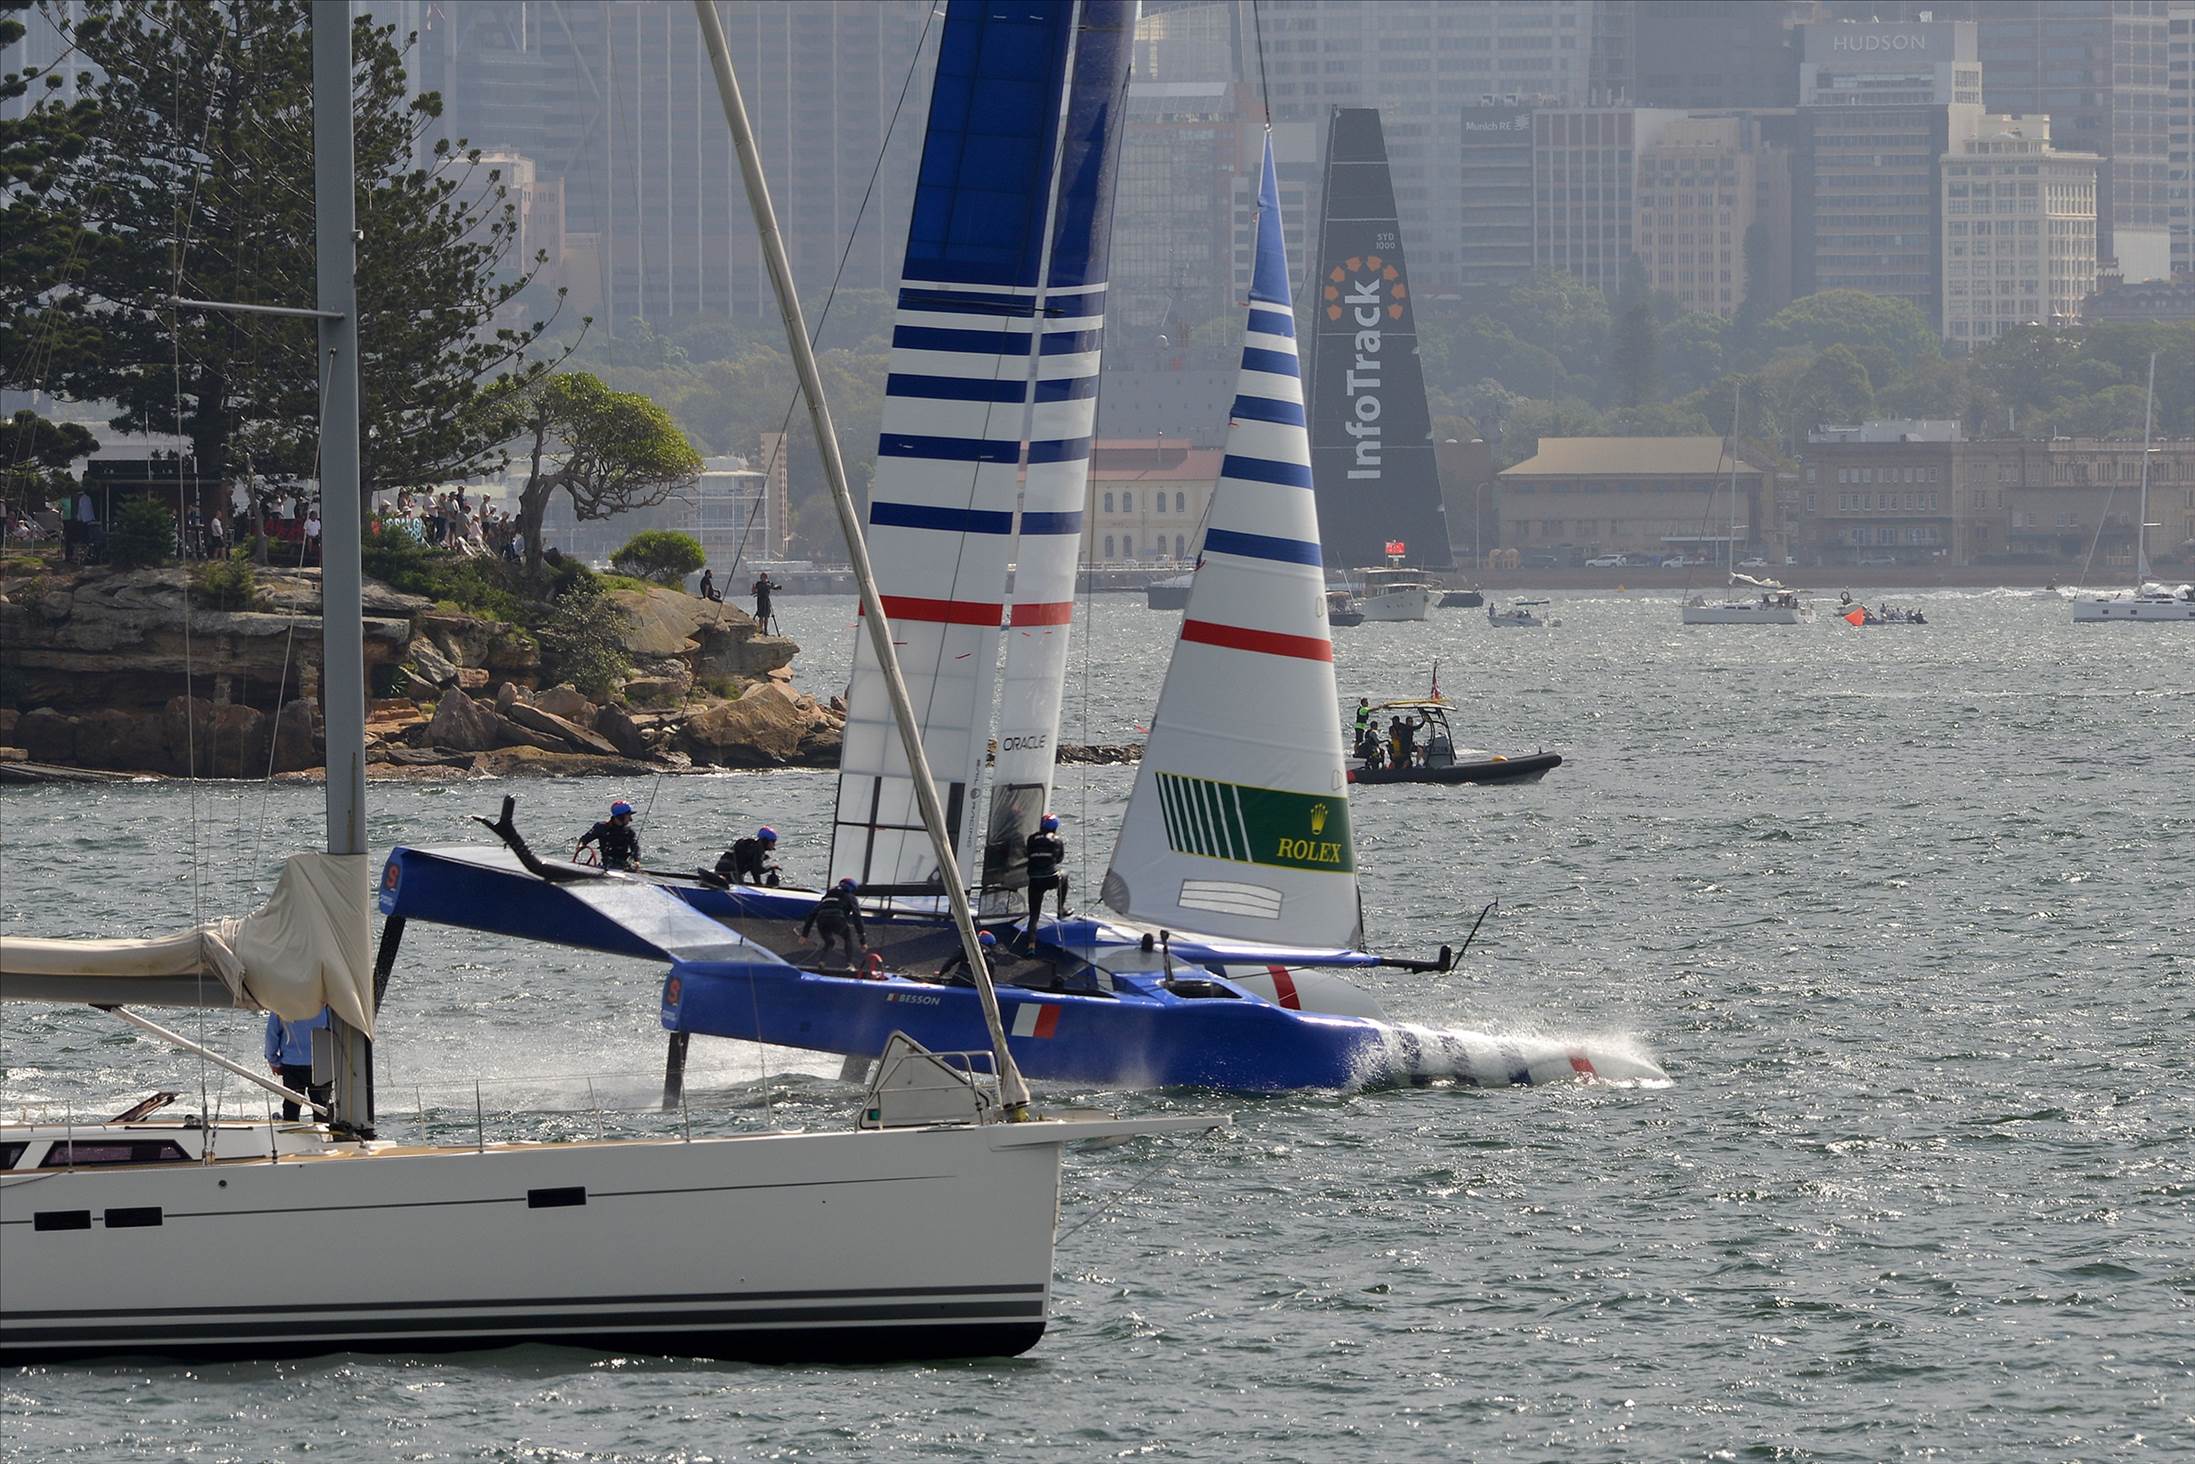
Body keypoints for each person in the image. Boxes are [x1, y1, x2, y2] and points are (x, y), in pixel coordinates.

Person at [264, 1007, 333, 1122]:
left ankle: (290, 1130)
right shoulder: (326, 1004)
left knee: (291, 1107)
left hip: (292, 1064)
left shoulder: (280, 1003)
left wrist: (273, 1060)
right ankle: (324, 1131)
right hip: (321, 1064)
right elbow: (335, 1031)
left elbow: (271, 1035)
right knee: (322, 1108)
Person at [1020, 812, 1068, 947]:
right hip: (1051, 878)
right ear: (1055, 827)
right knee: (1065, 874)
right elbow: (1059, 859)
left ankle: (1031, 945)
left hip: (1035, 881)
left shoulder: (1031, 838)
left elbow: (1028, 854)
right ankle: (1061, 909)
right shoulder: (1057, 840)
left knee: (1034, 916)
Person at [801, 876, 867, 965]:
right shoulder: (850, 896)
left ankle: (822, 962)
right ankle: (849, 964)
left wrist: (804, 935)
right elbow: (857, 917)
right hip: (837, 919)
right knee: (847, 938)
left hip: (821, 921)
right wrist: (862, 942)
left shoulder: (826, 897)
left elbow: (812, 914)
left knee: (830, 942)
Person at [577, 800, 641, 870]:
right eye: (628, 816)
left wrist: (637, 861)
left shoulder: (629, 832)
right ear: (620, 817)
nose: (631, 819)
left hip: (623, 866)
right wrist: (580, 846)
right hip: (605, 865)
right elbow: (584, 839)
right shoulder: (601, 828)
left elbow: (635, 848)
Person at [717, 825, 781, 885]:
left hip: (720, 867)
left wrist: (759, 884)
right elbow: (758, 870)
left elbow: (754, 870)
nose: (774, 844)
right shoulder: (758, 849)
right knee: (738, 887)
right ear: (766, 840)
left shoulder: (752, 846)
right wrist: (772, 867)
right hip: (731, 869)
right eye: (773, 841)